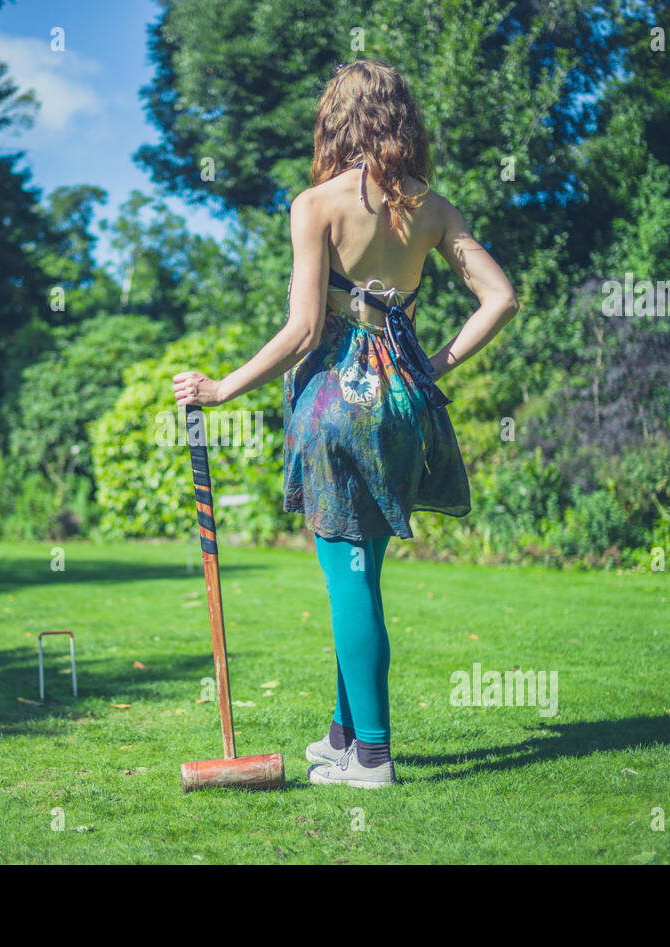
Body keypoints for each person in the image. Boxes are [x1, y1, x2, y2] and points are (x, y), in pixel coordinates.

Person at [172, 59, 519, 788]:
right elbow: (501, 297)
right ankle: (343, 734)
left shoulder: (316, 204)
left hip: (336, 406)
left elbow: (304, 331)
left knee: (348, 576)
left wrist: (221, 387)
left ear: (339, 119)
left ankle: (373, 758)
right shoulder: (432, 207)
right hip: (401, 408)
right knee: (358, 575)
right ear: (401, 120)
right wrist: (429, 365)